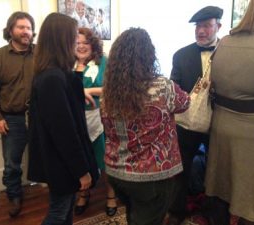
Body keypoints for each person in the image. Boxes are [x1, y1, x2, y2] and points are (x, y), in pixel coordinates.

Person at [100, 27, 190, 225]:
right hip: (151, 176)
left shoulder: (108, 92)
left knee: (135, 213)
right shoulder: (163, 87)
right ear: (149, 55)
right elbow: (185, 103)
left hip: (116, 172)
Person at [27, 13, 99, 225]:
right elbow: (64, 132)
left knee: (64, 209)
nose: (76, 43)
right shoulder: (52, 78)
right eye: (73, 38)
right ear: (61, 40)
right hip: (61, 161)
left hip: (59, 159)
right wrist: (82, 171)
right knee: (59, 212)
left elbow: (68, 98)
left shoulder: (54, 73)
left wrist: (79, 82)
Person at [205, 0, 254, 224]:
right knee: (252, 200)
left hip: (221, 127)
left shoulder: (225, 42)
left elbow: (213, 83)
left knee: (223, 190)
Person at [167, 6, 223, 225]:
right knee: (181, 168)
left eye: (206, 25)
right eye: (198, 26)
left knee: (215, 170)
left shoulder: (228, 54)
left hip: (219, 122)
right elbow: (174, 88)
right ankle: (177, 211)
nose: (201, 31)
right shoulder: (180, 55)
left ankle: (212, 211)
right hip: (187, 124)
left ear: (218, 26)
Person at [0, 11, 36, 217]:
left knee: (47, 154)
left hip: (38, 117)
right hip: (11, 119)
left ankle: (50, 188)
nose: (25, 31)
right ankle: (14, 195)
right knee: (11, 164)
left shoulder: (41, 54)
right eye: (20, 27)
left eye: (29, 28)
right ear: (10, 30)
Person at [73, 27, 117, 217]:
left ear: (93, 45)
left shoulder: (103, 62)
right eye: (77, 43)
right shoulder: (67, 63)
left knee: (105, 160)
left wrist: (88, 91)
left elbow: (111, 88)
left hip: (101, 118)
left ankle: (111, 194)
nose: (81, 46)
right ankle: (83, 192)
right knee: (80, 158)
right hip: (75, 119)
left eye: (85, 42)